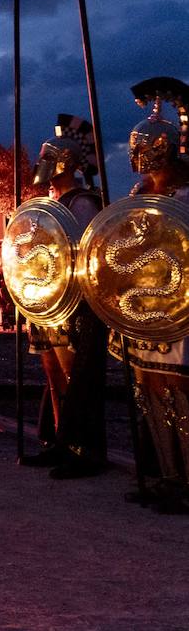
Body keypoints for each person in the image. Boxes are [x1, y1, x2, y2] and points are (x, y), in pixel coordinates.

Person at [114, 79, 189, 513]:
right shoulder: (139, 195)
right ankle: (167, 475)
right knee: (148, 389)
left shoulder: (184, 194)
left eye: (143, 145)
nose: (137, 153)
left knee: (180, 393)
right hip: (144, 307)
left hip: (179, 308)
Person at [17, 114, 107, 479]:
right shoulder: (46, 204)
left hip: (74, 303)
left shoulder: (83, 202)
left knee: (75, 376)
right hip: (45, 300)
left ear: (66, 164)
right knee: (53, 376)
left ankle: (82, 447)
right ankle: (58, 440)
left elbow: (82, 252)